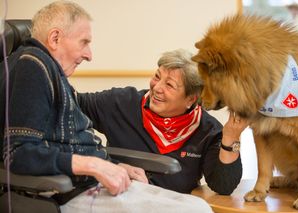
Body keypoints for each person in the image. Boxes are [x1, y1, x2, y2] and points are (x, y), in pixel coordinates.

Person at [0, 1, 213, 212]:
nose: (89, 55)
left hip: (90, 185)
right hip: (69, 192)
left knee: (198, 205)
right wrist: (94, 166)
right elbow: (19, 153)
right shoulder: (32, 66)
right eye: (84, 42)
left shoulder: (50, 71)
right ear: (55, 38)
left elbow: (63, 143)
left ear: (191, 99)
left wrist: (113, 165)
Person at [77, 48, 249, 194]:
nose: (157, 88)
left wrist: (231, 137)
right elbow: (70, 104)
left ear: (190, 99)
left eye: (169, 85)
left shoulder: (207, 130)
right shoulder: (120, 102)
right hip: (119, 202)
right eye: (157, 77)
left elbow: (223, 186)